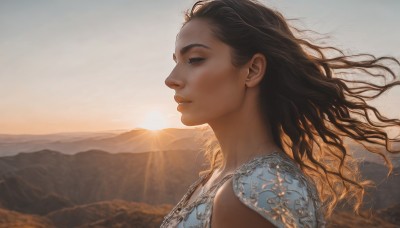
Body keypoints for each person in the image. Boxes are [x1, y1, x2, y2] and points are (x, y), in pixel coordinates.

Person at [161, 0, 400, 227]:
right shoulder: (225, 179)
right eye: (176, 61)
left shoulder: (246, 195)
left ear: (252, 70)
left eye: (194, 59)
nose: (171, 80)